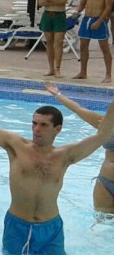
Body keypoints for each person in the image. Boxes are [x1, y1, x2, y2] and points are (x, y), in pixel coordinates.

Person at [0, 93, 114, 255]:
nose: (36, 129)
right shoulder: (16, 146)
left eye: (44, 125)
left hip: (52, 228)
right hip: (18, 227)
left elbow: (101, 136)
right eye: (34, 123)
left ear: (58, 129)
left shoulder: (66, 155)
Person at [44, 82, 114, 213]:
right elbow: (78, 109)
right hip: (105, 184)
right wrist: (57, 94)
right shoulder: (106, 124)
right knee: (101, 228)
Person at [71, 0, 112, 82]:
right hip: (87, 19)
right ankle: (83, 72)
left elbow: (108, 7)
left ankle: (108, 74)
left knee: (104, 48)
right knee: (83, 46)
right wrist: (77, 12)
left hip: (99, 19)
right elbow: (83, 3)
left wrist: (99, 21)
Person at [37, 0, 71, 78]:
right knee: (49, 42)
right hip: (48, 15)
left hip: (59, 15)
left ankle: (57, 68)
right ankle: (51, 68)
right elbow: (40, 2)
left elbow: (64, 0)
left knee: (59, 42)